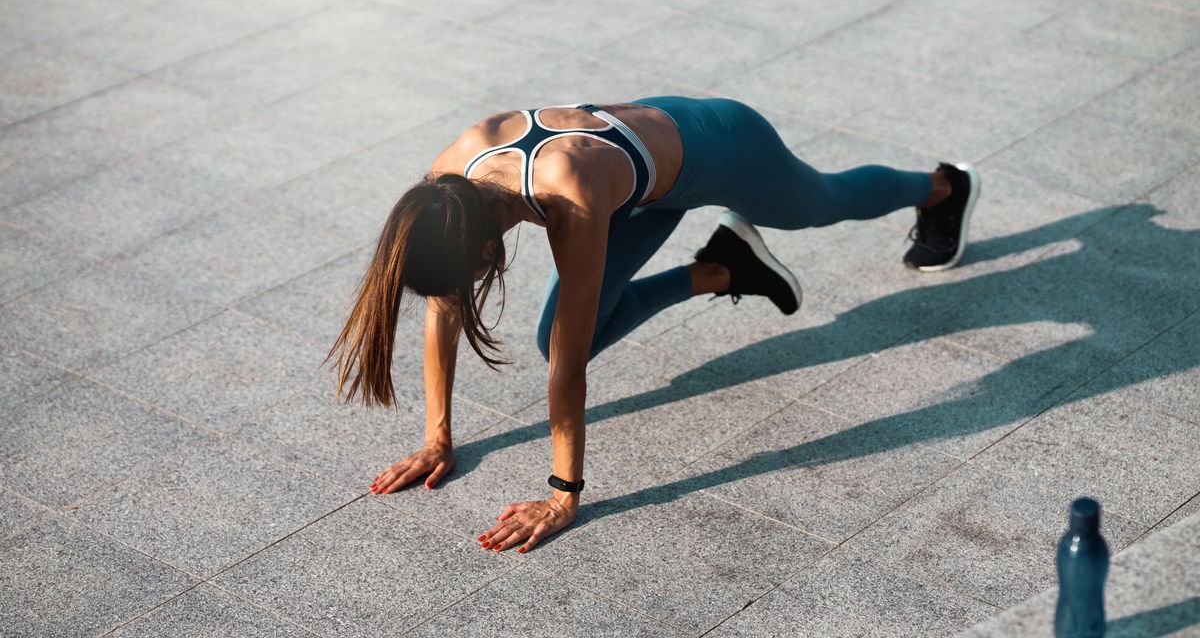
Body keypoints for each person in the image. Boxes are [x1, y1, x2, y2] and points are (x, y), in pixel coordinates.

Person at [323, 96, 981, 554]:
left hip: (721, 146)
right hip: (639, 175)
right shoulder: (448, 186)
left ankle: (945, 187)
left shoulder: (568, 196)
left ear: (483, 248)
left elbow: (569, 365)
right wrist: (437, 439)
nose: (465, 293)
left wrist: (562, 495)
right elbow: (444, 307)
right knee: (554, 326)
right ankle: (727, 268)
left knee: (822, 201)